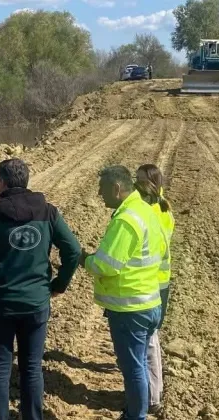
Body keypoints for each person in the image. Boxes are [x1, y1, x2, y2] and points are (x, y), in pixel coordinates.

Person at [0, 158, 81, 420]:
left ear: (2, 182)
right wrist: (58, 285)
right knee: (31, 368)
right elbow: (74, 251)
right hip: (36, 302)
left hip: (0, 302)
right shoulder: (48, 212)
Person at [80, 165, 167, 420]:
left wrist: (84, 259)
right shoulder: (145, 210)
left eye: (102, 188)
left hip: (130, 309)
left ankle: (135, 415)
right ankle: (140, 408)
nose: (99, 194)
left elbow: (106, 265)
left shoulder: (126, 219)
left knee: (133, 368)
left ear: (117, 188)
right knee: (141, 361)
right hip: (149, 301)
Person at [134, 164, 175, 415]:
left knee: (148, 342)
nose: (135, 184)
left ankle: (151, 397)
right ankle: (151, 391)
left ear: (151, 183)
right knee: (151, 339)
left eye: (139, 180)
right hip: (160, 280)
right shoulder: (164, 207)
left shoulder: (150, 210)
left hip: (150, 282)